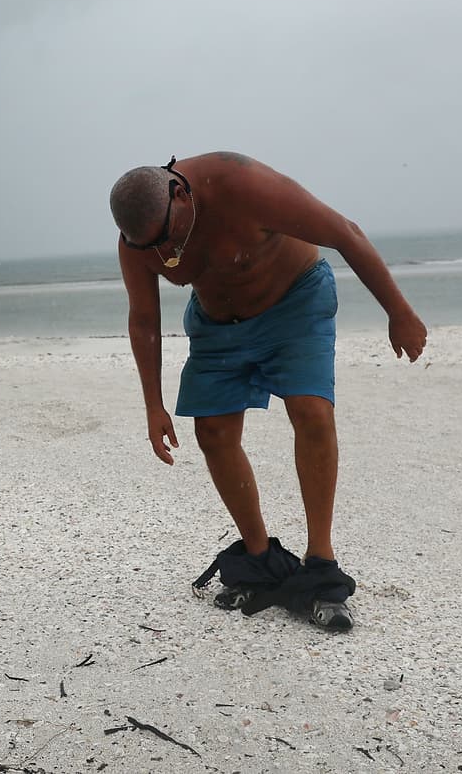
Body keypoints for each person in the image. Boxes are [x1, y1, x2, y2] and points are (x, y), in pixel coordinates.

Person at [110, 152, 427, 630]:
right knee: (213, 433)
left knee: (312, 411)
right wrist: (153, 404)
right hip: (218, 324)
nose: (164, 250)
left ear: (180, 192)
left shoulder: (244, 184)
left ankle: (320, 562)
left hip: (294, 302)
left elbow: (346, 232)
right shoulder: (140, 240)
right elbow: (143, 318)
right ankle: (258, 559)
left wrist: (398, 311)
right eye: (149, 245)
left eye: (166, 235)